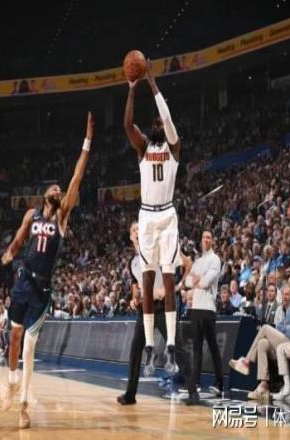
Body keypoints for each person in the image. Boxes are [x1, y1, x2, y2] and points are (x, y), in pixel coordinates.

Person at [1, 112, 94, 429]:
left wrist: (87, 141)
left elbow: (77, 178)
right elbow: (18, 240)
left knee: (29, 345)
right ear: (45, 195)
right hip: (24, 279)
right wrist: (10, 252)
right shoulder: (32, 215)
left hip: (42, 289)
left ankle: (24, 406)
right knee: (14, 337)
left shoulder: (61, 217)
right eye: (55, 188)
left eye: (60, 189)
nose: (59, 189)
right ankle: (11, 381)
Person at [124, 60, 181, 376]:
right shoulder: (144, 147)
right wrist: (133, 89)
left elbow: (168, 118)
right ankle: (149, 346)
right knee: (147, 281)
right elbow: (127, 125)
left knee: (168, 278)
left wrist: (153, 83)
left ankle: (170, 345)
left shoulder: (174, 146)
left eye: (162, 121)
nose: (159, 123)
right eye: (156, 122)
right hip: (147, 214)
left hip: (167, 215)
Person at [229, 280, 290, 401]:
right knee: (263, 343)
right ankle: (264, 385)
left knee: (265, 328)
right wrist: (287, 326)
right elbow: (280, 326)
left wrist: (286, 326)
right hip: (283, 343)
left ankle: (246, 361)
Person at [117, 221, 167, 405]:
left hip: (160, 308)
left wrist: (164, 288)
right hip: (143, 310)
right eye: (134, 230)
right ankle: (130, 395)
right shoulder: (133, 263)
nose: (137, 232)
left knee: (176, 344)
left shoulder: (154, 251)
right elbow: (135, 290)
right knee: (135, 351)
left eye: (139, 229)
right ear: (131, 237)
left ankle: (192, 390)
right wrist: (133, 299)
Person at [184, 230, 223, 404]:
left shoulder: (215, 259)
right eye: (204, 237)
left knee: (213, 347)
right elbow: (187, 282)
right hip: (196, 308)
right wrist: (198, 279)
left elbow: (206, 282)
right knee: (197, 348)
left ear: (212, 241)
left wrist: (198, 279)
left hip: (208, 308)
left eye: (209, 237)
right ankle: (195, 383)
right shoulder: (199, 261)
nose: (206, 239)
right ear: (201, 240)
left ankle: (219, 383)